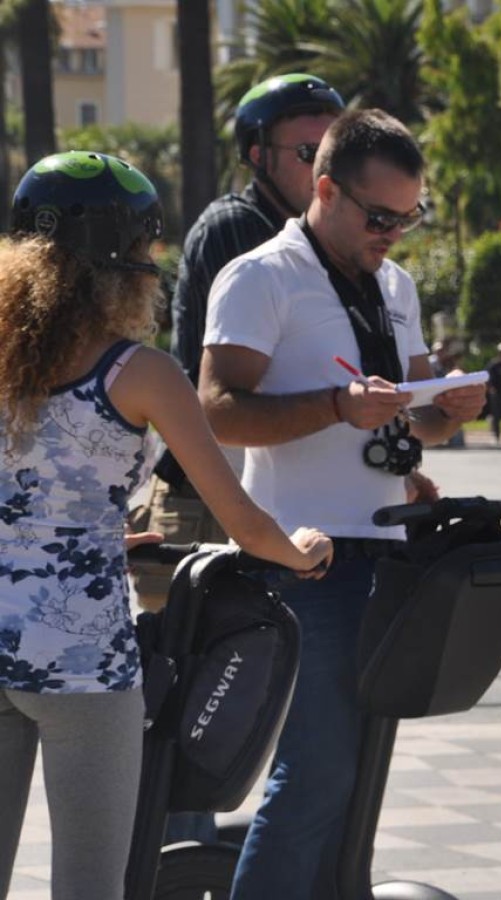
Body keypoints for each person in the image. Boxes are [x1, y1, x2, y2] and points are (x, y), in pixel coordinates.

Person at [0, 152, 332, 900]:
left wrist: (81, 540)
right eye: (148, 249)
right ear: (119, 259)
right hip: (81, 659)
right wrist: (302, 551)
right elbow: (242, 518)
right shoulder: (140, 374)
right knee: (91, 884)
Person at [199, 109, 486, 899]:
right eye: (380, 215)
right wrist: (333, 406)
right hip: (305, 562)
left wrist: (444, 411)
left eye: (410, 215)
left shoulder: (396, 284)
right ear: (324, 189)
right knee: (318, 772)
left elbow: (411, 415)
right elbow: (217, 409)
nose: (394, 233)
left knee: (357, 778)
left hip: (389, 552)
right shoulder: (261, 276)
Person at [130, 72, 345, 613]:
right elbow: (279, 373)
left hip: (262, 497)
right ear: (257, 154)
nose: (325, 167)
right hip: (209, 500)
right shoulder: (240, 230)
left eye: (336, 152)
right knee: (193, 683)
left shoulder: (318, 245)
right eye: (306, 151)